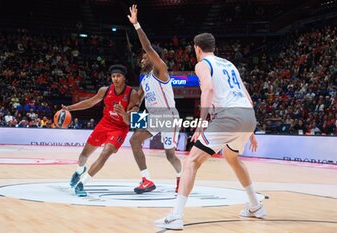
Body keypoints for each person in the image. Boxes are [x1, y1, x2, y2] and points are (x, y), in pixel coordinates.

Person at [155, 33, 266, 230]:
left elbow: (208, 89)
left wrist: (200, 124)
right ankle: (255, 206)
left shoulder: (202, 65)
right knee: (232, 158)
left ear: (197, 48)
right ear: (213, 47)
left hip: (227, 118)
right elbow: (246, 96)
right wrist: (250, 130)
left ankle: (176, 216)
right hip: (248, 117)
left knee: (191, 161)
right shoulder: (229, 64)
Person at [127, 5, 182, 194]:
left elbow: (148, 47)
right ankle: (147, 180)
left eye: (144, 57)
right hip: (153, 116)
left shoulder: (161, 70)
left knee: (170, 155)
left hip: (168, 116)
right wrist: (132, 107)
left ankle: (181, 178)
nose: (142, 59)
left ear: (153, 58)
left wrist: (136, 25)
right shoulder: (145, 79)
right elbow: (138, 99)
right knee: (135, 140)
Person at [64, 64, 139, 197]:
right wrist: (69, 108)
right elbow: (89, 103)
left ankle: (82, 184)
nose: (115, 79)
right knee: (83, 156)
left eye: (118, 76)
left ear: (124, 78)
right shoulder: (104, 90)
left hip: (119, 129)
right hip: (104, 124)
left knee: (105, 153)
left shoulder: (132, 94)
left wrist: (124, 114)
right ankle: (79, 170)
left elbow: (130, 122)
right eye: (113, 76)